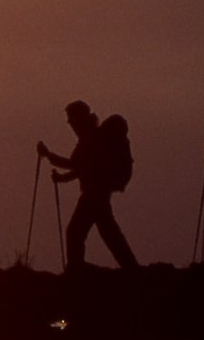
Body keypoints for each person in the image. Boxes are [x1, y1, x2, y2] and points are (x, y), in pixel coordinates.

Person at [38, 100, 137, 270]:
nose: (70, 124)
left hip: (94, 193)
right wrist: (62, 179)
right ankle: (130, 267)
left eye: (71, 120)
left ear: (79, 119)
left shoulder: (90, 138)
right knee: (108, 232)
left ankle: (76, 270)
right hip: (97, 192)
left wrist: (48, 154)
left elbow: (73, 164)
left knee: (77, 232)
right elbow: (82, 168)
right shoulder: (91, 137)